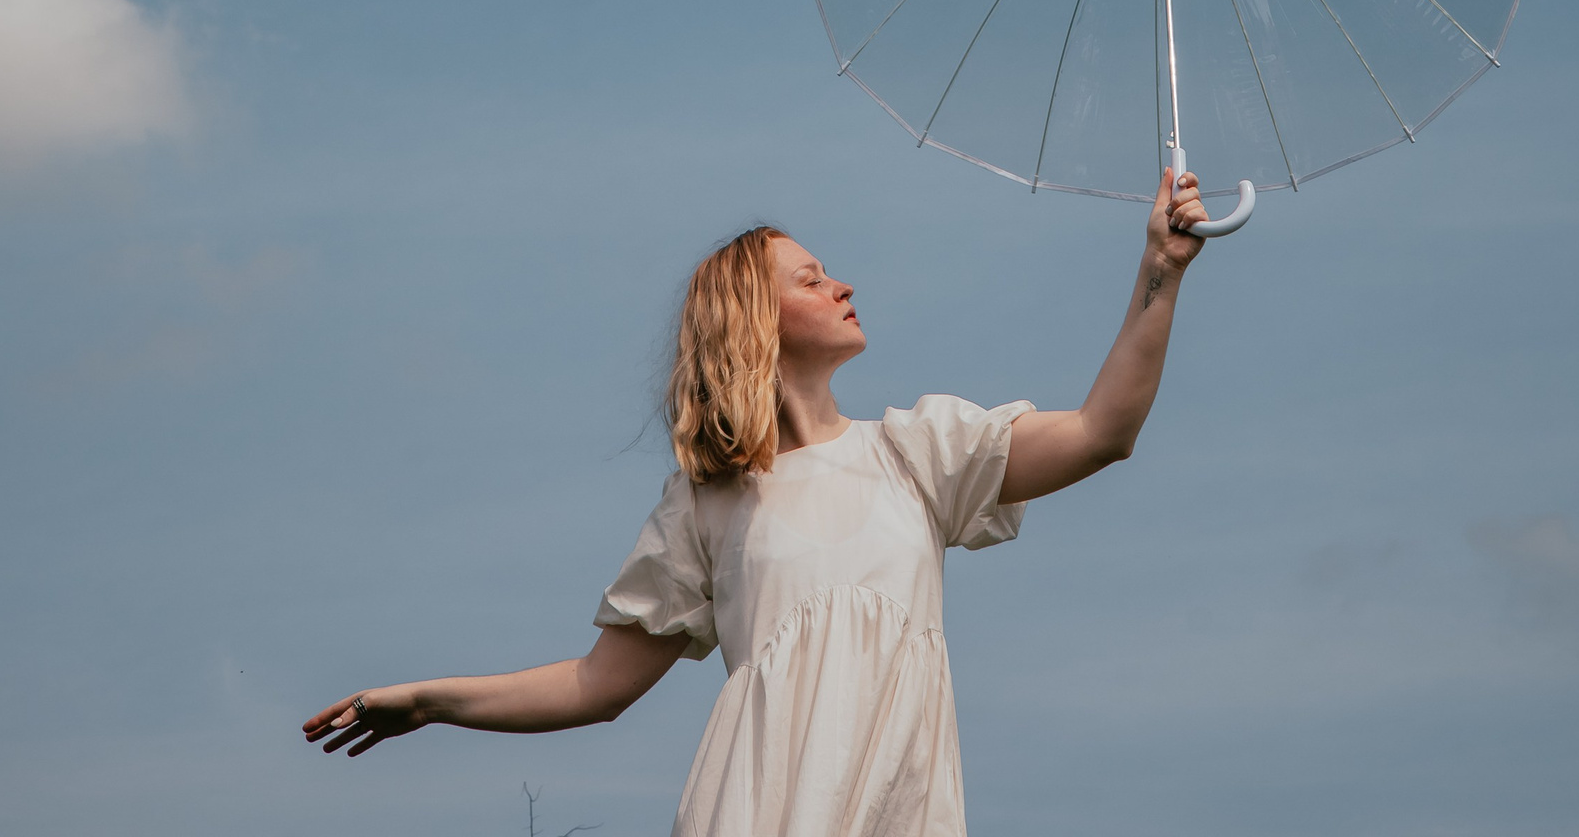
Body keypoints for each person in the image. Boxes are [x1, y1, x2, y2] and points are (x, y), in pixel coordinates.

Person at [303, 168, 1209, 836]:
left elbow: (1102, 432)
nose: (842, 285)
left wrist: (1160, 270)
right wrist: (429, 702)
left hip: (900, 806)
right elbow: (596, 685)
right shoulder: (707, 507)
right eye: (810, 279)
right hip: (757, 808)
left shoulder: (915, 453)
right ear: (754, 323)